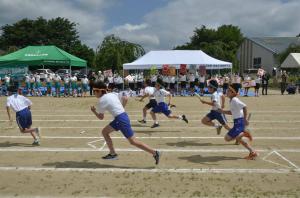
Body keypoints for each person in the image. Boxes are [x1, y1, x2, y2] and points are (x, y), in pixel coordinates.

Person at [90, 81, 160, 164]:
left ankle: (155, 152)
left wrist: (94, 111)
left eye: (95, 91)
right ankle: (112, 153)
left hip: (120, 119)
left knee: (133, 141)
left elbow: (101, 117)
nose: (94, 93)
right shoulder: (112, 94)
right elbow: (125, 98)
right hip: (121, 117)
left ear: (100, 91)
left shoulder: (102, 100)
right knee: (105, 132)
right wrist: (122, 108)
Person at [218, 84, 258, 160]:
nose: (227, 91)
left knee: (227, 138)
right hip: (238, 122)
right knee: (239, 139)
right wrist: (222, 111)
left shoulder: (234, 100)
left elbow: (244, 106)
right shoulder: (232, 100)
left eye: (228, 91)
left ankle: (245, 132)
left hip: (239, 122)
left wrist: (245, 119)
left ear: (233, 92)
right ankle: (252, 152)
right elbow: (232, 112)